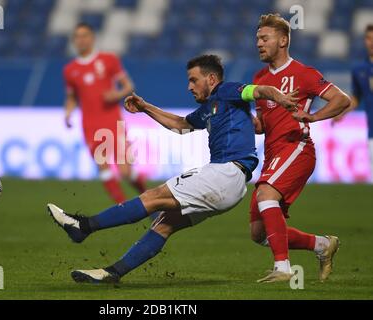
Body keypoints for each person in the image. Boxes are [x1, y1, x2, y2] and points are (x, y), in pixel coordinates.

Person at [48, 54, 299, 283]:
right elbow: (181, 124)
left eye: (194, 80)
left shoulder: (228, 90)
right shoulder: (210, 106)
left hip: (225, 173)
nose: (189, 86)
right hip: (230, 185)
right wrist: (146, 107)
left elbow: (260, 91)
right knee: (165, 224)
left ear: (211, 79)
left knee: (153, 197)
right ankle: (113, 272)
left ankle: (84, 226)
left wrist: (280, 98)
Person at [250, 14, 351, 283]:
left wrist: (314, 117)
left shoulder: (303, 74)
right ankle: (322, 245)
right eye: (257, 38)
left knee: (265, 193)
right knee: (259, 232)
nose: (258, 43)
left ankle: (283, 268)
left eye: (264, 38)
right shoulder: (259, 78)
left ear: (283, 40)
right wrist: (251, 123)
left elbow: (342, 99)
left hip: (297, 147)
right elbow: (263, 123)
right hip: (273, 153)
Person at [63, 22, 146, 204]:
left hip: (113, 122)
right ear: (74, 41)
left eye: (85, 35)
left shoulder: (108, 60)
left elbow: (128, 86)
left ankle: (149, 199)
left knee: (125, 171)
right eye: (77, 36)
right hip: (90, 125)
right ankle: (123, 208)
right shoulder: (70, 70)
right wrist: (68, 113)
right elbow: (71, 97)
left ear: (92, 38)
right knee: (104, 168)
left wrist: (115, 94)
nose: (81, 40)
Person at [333, 24, 373, 183]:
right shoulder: (359, 70)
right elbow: (357, 97)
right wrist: (342, 113)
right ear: (365, 41)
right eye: (369, 38)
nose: (372, 42)